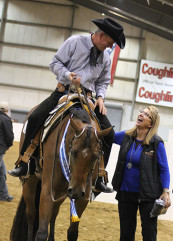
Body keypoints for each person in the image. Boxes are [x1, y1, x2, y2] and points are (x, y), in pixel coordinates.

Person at [8, 17, 125, 193]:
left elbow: (103, 82)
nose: (110, 47)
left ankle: (100, 177)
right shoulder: (74, 42)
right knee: (34, 118)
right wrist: (68, 74)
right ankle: (25, 163)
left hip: (87, 99)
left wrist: (100, 97)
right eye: (109, 43)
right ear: (101, 36)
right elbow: (54, 63)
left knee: (109, 134)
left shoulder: (106, 59)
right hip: (63, 91)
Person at [111, 106, 171, 241]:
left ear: (150, 123)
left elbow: (164, 169)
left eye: (145, 115)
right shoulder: (126, 137)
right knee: (126, 233)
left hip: (149, 195)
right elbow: (108, 136)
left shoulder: (156, 143)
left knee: (149, 234)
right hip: (126, 192)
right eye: (141, 112)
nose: (141, 115)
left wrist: (166, 191)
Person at [0, 101, 14, 202]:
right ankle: (4, 195)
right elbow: (9, 135)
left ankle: (4, 195)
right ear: (7, 110)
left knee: (2, 173)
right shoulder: (6, 119)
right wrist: (8, 145)